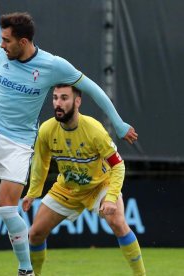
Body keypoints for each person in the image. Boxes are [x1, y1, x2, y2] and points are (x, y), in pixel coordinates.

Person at [0, 12, 138, 276]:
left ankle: (25, 271)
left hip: (19, 142)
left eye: (6, 40)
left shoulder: (53, 65)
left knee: (8, 211)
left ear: (23, 42)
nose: (1, 45)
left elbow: (93, 89)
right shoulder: (0, 55)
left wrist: (119, 123)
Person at [22, 84, 145, 276]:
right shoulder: (46, 130)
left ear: (77, 102)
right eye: (55, 98)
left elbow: (118, 165)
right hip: (67, 189)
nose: (58, 104)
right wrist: (33, 192)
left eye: (64, 98)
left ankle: (141, 275)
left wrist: (111, 197)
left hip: (99, 186)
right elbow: (40, 164)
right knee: (35, 234)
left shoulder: (94, 129)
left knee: (118, 222)